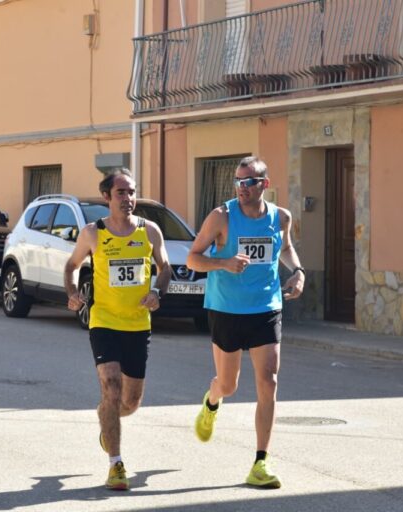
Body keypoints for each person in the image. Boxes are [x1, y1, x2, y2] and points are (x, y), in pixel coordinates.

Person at [187, 156, 305, 488]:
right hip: (227, 309)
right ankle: (212, 401)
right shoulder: (221, 217)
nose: (242, 188)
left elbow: (286, 248)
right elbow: (193, 258)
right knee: (229, 385)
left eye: (249, 181)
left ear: (264, 184)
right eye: (238, 182)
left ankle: (260, 462)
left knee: (268, 381)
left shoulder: (281, 217)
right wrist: (223, 263)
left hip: (266, 307)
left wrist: (297, 272)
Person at [64, 168, 171, 490]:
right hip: (104, 321)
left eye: (132, 192)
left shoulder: (149, 231)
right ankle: (116, 464)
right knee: (111, 387)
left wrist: (157, 292)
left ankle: (106, 423)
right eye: (121, 192)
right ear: (107, 197)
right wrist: (72, 292)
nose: (128, 198)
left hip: (138, 324)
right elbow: (72, 265)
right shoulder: (93, 233)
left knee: (130, 402)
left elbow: (165, 267)